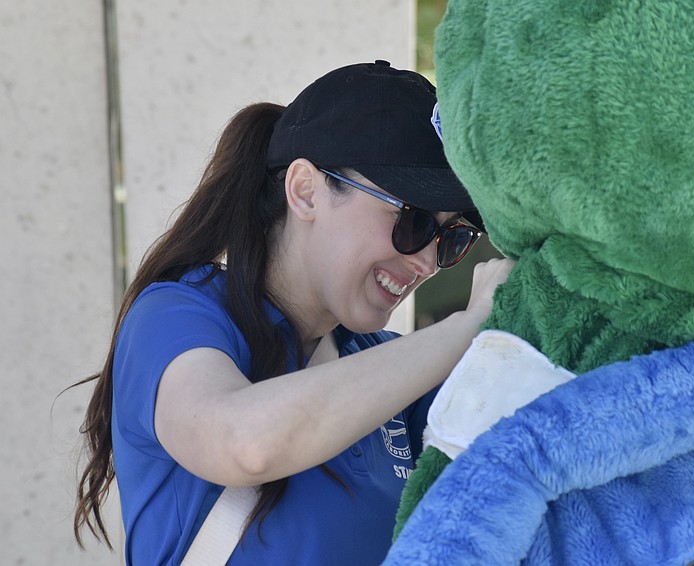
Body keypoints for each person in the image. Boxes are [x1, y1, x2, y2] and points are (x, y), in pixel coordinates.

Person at [72, 60, 515, 565]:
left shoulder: (389, 365)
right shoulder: (179, 314)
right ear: (305, 190)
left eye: (450, 237)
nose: (429, 260)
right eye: (413, 220)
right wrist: (467, 326)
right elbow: (243, 442)